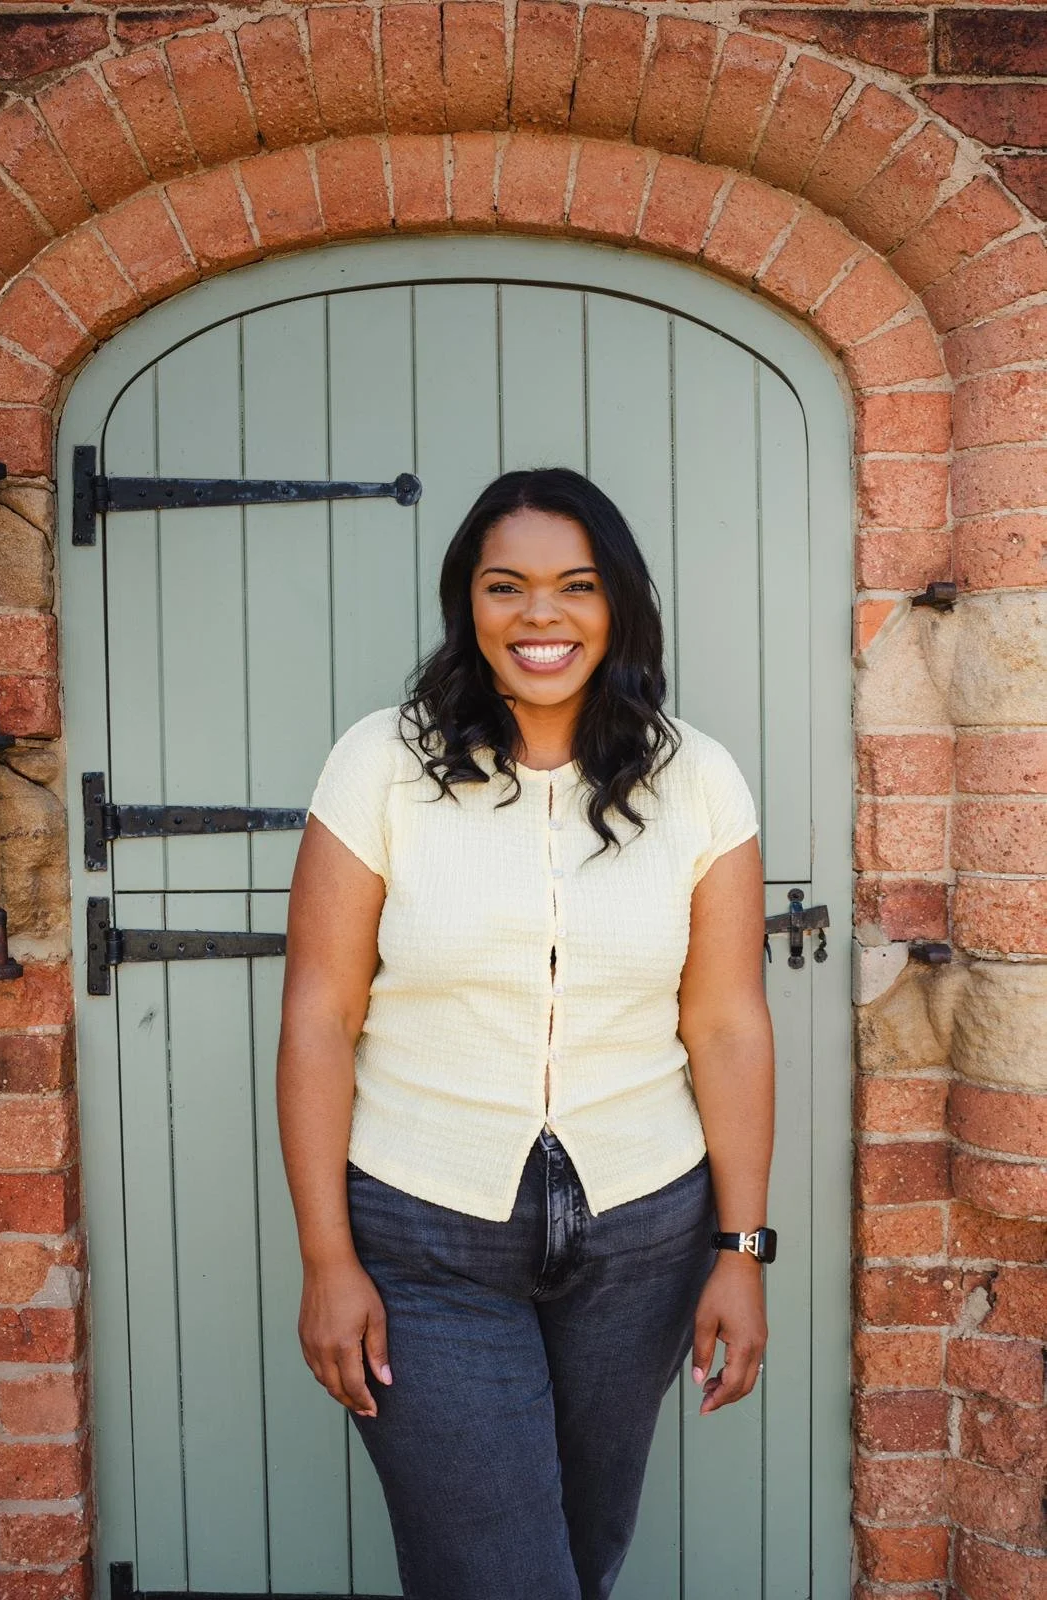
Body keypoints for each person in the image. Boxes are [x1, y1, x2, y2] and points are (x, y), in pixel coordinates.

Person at [277, 467, 775, 1600]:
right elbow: (319, 1014)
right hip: (425, 1238)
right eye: (507, 587)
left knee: (581, 1562)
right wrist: (326, 1257)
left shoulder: (698, 780)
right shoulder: (383, 765)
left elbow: (728, 1023)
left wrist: (740, 1255)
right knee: (501, 1578)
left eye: (576, 586)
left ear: (619, 606)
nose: (540, 617)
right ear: (470, 604)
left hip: (644, 1237)